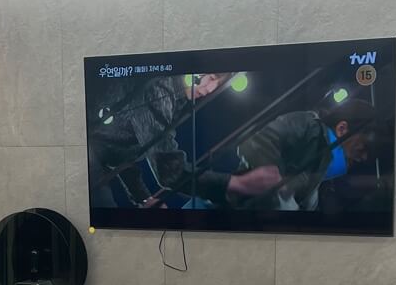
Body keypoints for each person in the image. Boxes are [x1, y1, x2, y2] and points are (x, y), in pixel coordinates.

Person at [88, 71, 284, 207]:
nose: (210, 89)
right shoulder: (159, 89)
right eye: (212, 78)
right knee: (105, 210)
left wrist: (144, 199)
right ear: (196, 75)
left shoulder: (176, 101)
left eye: (217, 84)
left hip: (99, 158)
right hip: (87, 154)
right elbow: (168, 170)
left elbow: (121, 149)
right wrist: (237, 184)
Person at [231, 89, 379, 210]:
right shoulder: (307, 126)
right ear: (342, 129)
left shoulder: (323, 178)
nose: (363, 158)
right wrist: (280, 192)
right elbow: (256, 144)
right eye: (362, 148)